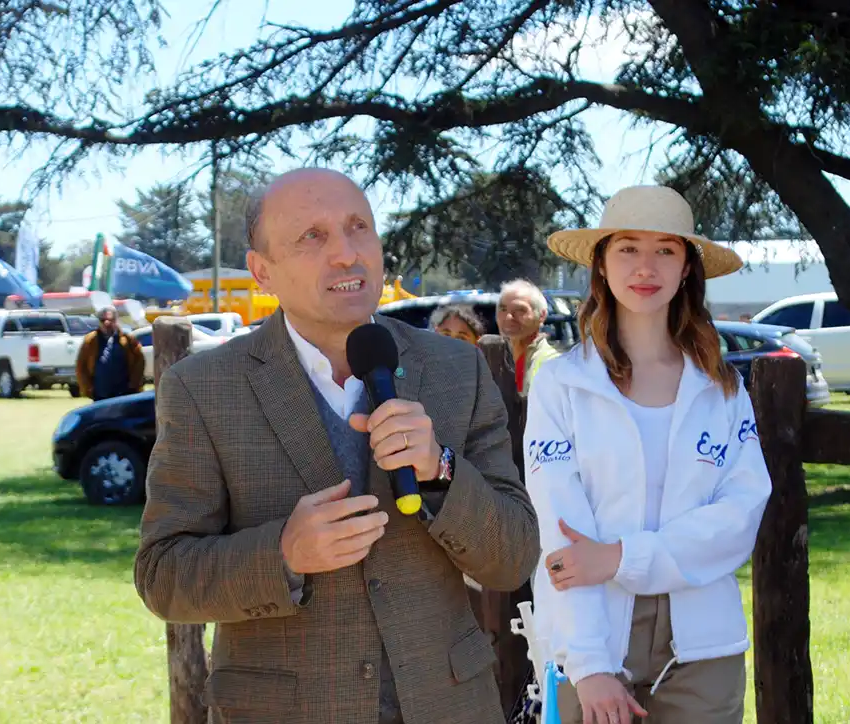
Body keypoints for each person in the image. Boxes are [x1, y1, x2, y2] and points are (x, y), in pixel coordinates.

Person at [134, 168, 540, 724]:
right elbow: (163, 575)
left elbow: (513, 556)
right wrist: (283, 553)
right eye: (313, 236)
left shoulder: (455, 369)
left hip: (448, 705)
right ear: (261, 272)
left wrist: (439, 469)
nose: (347, 254)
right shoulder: (205, 388)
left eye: (359, 229)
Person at [525, 185, 772, 724]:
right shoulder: (561, 385)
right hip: (592, 637)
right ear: (602, 264)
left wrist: (620, 557)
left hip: (704, 647)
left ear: (687, 269)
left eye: (665, 249)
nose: (646, 266)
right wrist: (588, 666)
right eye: (627, 248)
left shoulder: (722, 387)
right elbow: (557, 530)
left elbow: (740, 515)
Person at [496, 279, 559, 396]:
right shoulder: (490, 357)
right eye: (503, 309)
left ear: (542, 315)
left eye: (520, 310)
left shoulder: (553, 364)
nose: (508, 317)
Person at [74, 306, 145, 401]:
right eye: (103, 320)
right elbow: (80, 367)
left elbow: (139, 362)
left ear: (116, 320)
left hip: (125, 393)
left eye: (110, 320)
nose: (107, 323)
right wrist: (88, 388)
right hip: (100, 394)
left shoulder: (128, 339)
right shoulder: (90, 340)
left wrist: (134, 384)